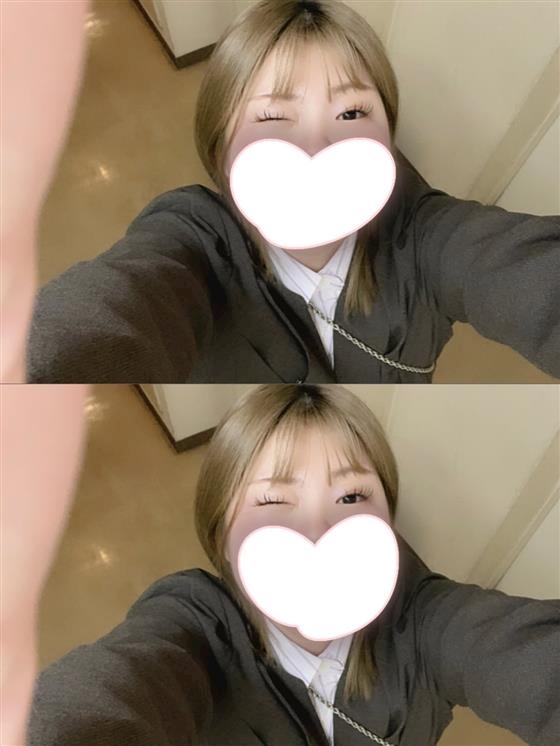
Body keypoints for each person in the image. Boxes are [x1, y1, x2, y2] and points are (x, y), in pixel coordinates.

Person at [25, 0, 560, 384]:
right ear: (221, 147)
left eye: (351, 112)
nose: (317, 145)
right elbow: (104, 314)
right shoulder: (192, 237)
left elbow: (519, 271)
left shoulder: (426, 234)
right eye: (273, 117)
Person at [24, 384, 560, 746]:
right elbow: (112, 695)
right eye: (274, 500)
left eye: (351, 496)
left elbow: (515, 652)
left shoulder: (424, 615)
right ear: (223, 537)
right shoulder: (194, 623)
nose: (318, 530)